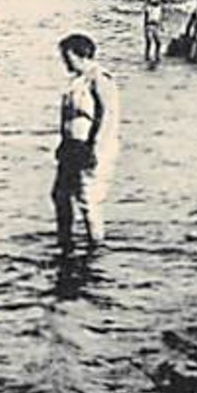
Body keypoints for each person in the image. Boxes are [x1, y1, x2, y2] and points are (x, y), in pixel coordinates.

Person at [52, 33, 121, 248]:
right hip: (71, 148)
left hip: (89, 149)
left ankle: (96, 249)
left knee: (88, 201)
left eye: (67, 56)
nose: (64, 61)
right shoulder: (76, 82)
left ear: (81, 55)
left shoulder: (100, 79)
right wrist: (63, 144)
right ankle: (65, 244)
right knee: (60, 195)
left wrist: (95, 150)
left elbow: (108, 116)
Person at [142, 0, 164, 68]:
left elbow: (160, 18)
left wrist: (161, 26)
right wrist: (145, 28)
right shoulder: (148, 8)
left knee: (158, 43)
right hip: (149, 25)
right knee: (149, 42)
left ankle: (156, 56)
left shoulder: (159, 8)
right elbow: (146, 18)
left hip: (155, 26)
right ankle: (147, 56)